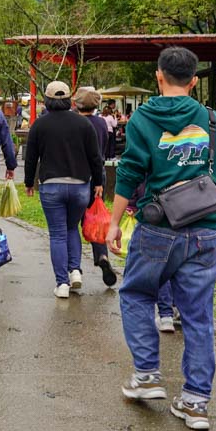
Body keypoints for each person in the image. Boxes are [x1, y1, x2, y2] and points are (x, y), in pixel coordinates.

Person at [107, 46, 216, 431]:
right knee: (197, 314)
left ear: (159, 76)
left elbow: (129, 171)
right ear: (194, 81)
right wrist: (204, 199)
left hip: (157, 227)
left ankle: (147, 376)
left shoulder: (143, 119)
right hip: (205, 230)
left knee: (136, 294)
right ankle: (196, 402)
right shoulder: (214, 120)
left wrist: (114, 222)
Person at [24, 80, 105, 298]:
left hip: (51, 185)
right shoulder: (83, 124)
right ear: (69, 100)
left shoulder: (39, 125)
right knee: (71, 229)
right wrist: (98, 182)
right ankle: (75, 271)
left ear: (48, 100)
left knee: (58, 234)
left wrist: (29, 182)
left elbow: (31, 157)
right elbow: (95, 157)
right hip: (80, 186)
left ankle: (62, 284)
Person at [73, 86, 119, 287]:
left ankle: (74, 267)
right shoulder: (102, 123)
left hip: (78, 174)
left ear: (77, 103)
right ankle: (102, 255)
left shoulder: (75, 123)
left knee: (72, 222)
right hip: (98, 175)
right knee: (96, 219)